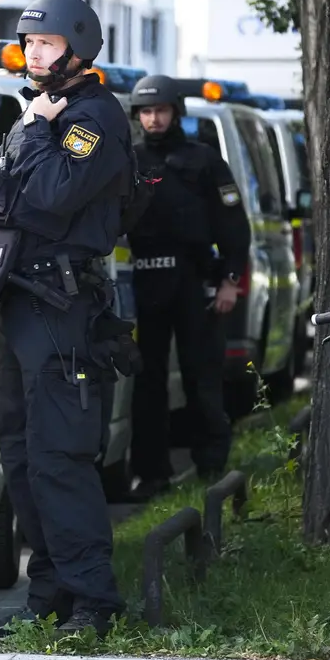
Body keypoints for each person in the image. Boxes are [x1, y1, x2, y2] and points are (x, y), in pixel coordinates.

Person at [0, 0, 134, 640]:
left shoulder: (92, 116)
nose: (33, 52)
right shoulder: (33, 115)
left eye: (45, 42)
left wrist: (35, 133)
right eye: (27, 42)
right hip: (21, 301)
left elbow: (47, 197)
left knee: (60, 455)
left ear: (78, 46)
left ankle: (94, 602)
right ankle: (49, 595)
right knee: (20, 455)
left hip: (64, 310)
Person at [124, 74, 251, 498]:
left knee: (203, 376)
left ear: (176, 112)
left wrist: (231, 280)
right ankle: (151, 473)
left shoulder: (204, 161)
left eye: (160, 110)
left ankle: (211, 468)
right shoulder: (129, 160)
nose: (153, 118)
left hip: (194, 281)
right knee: (148, 382)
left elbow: (234, 226)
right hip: (144, 280)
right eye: (145, 111)